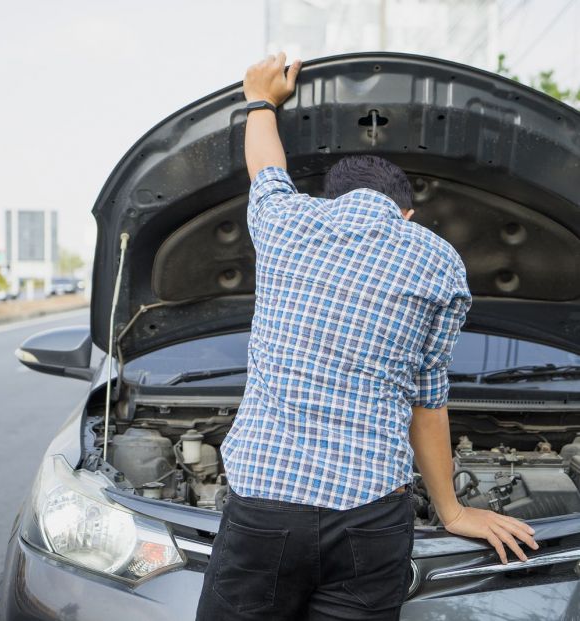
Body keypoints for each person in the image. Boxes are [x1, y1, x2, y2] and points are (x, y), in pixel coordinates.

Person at [196, 53, 539, 621]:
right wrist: (451, 512)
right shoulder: (439, 261)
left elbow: (266, 168)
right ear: (405, 213)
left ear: (334, 201)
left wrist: (260, 100)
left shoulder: (290, 222)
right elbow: (428, 401)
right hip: (372, 517)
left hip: (265, 510)